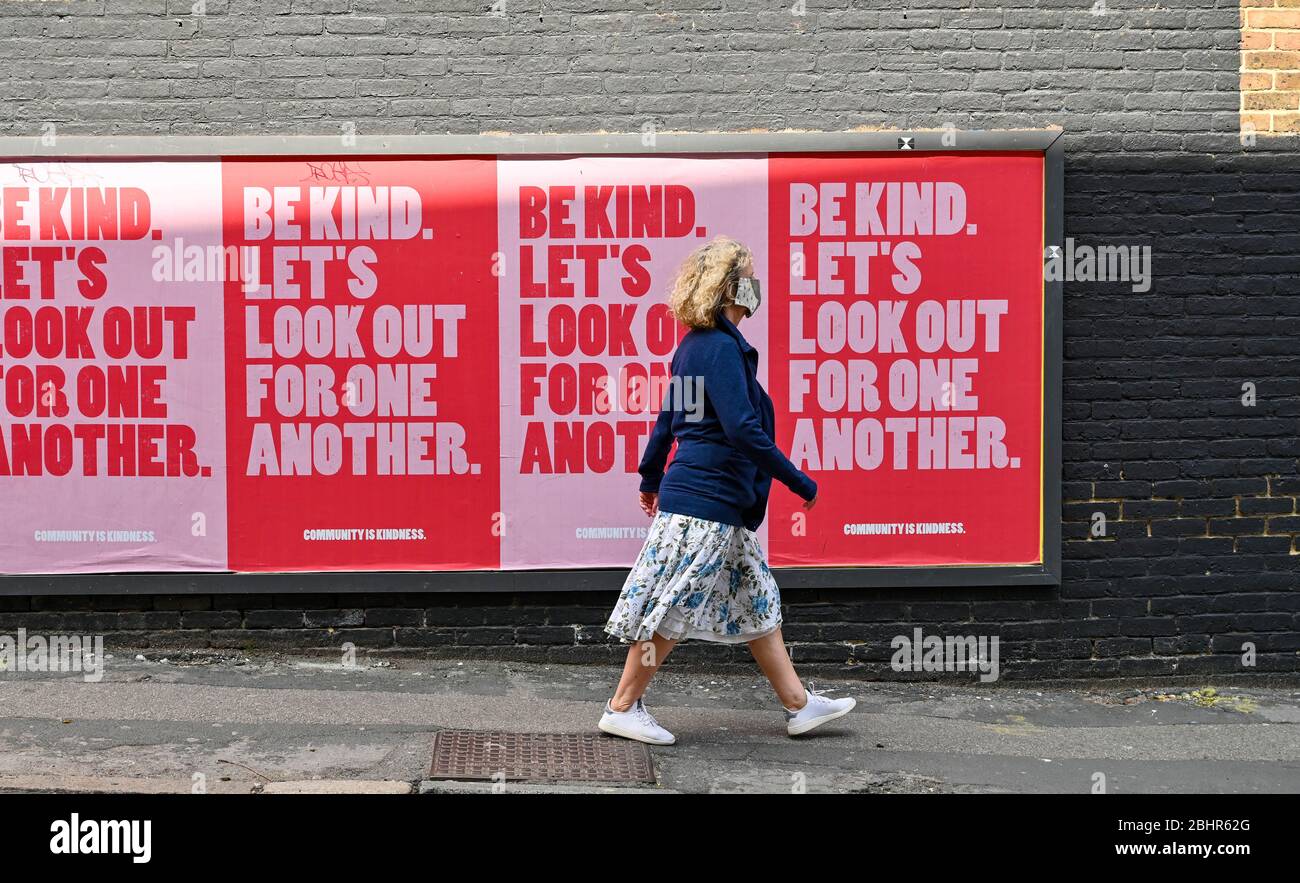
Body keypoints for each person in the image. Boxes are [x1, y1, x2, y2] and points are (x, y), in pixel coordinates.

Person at [598, 236, 856, 746]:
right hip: (707, 501)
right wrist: (798, 480)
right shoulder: (716, 349)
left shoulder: (696, 345)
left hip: (710, 500)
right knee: (675, 607)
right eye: (751, 277)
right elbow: (741, 428)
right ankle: (622, 707)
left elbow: (669, 420)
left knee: (757, 600)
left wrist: (650, 478)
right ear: (734, 286)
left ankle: (799, 706)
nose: (757, 286)